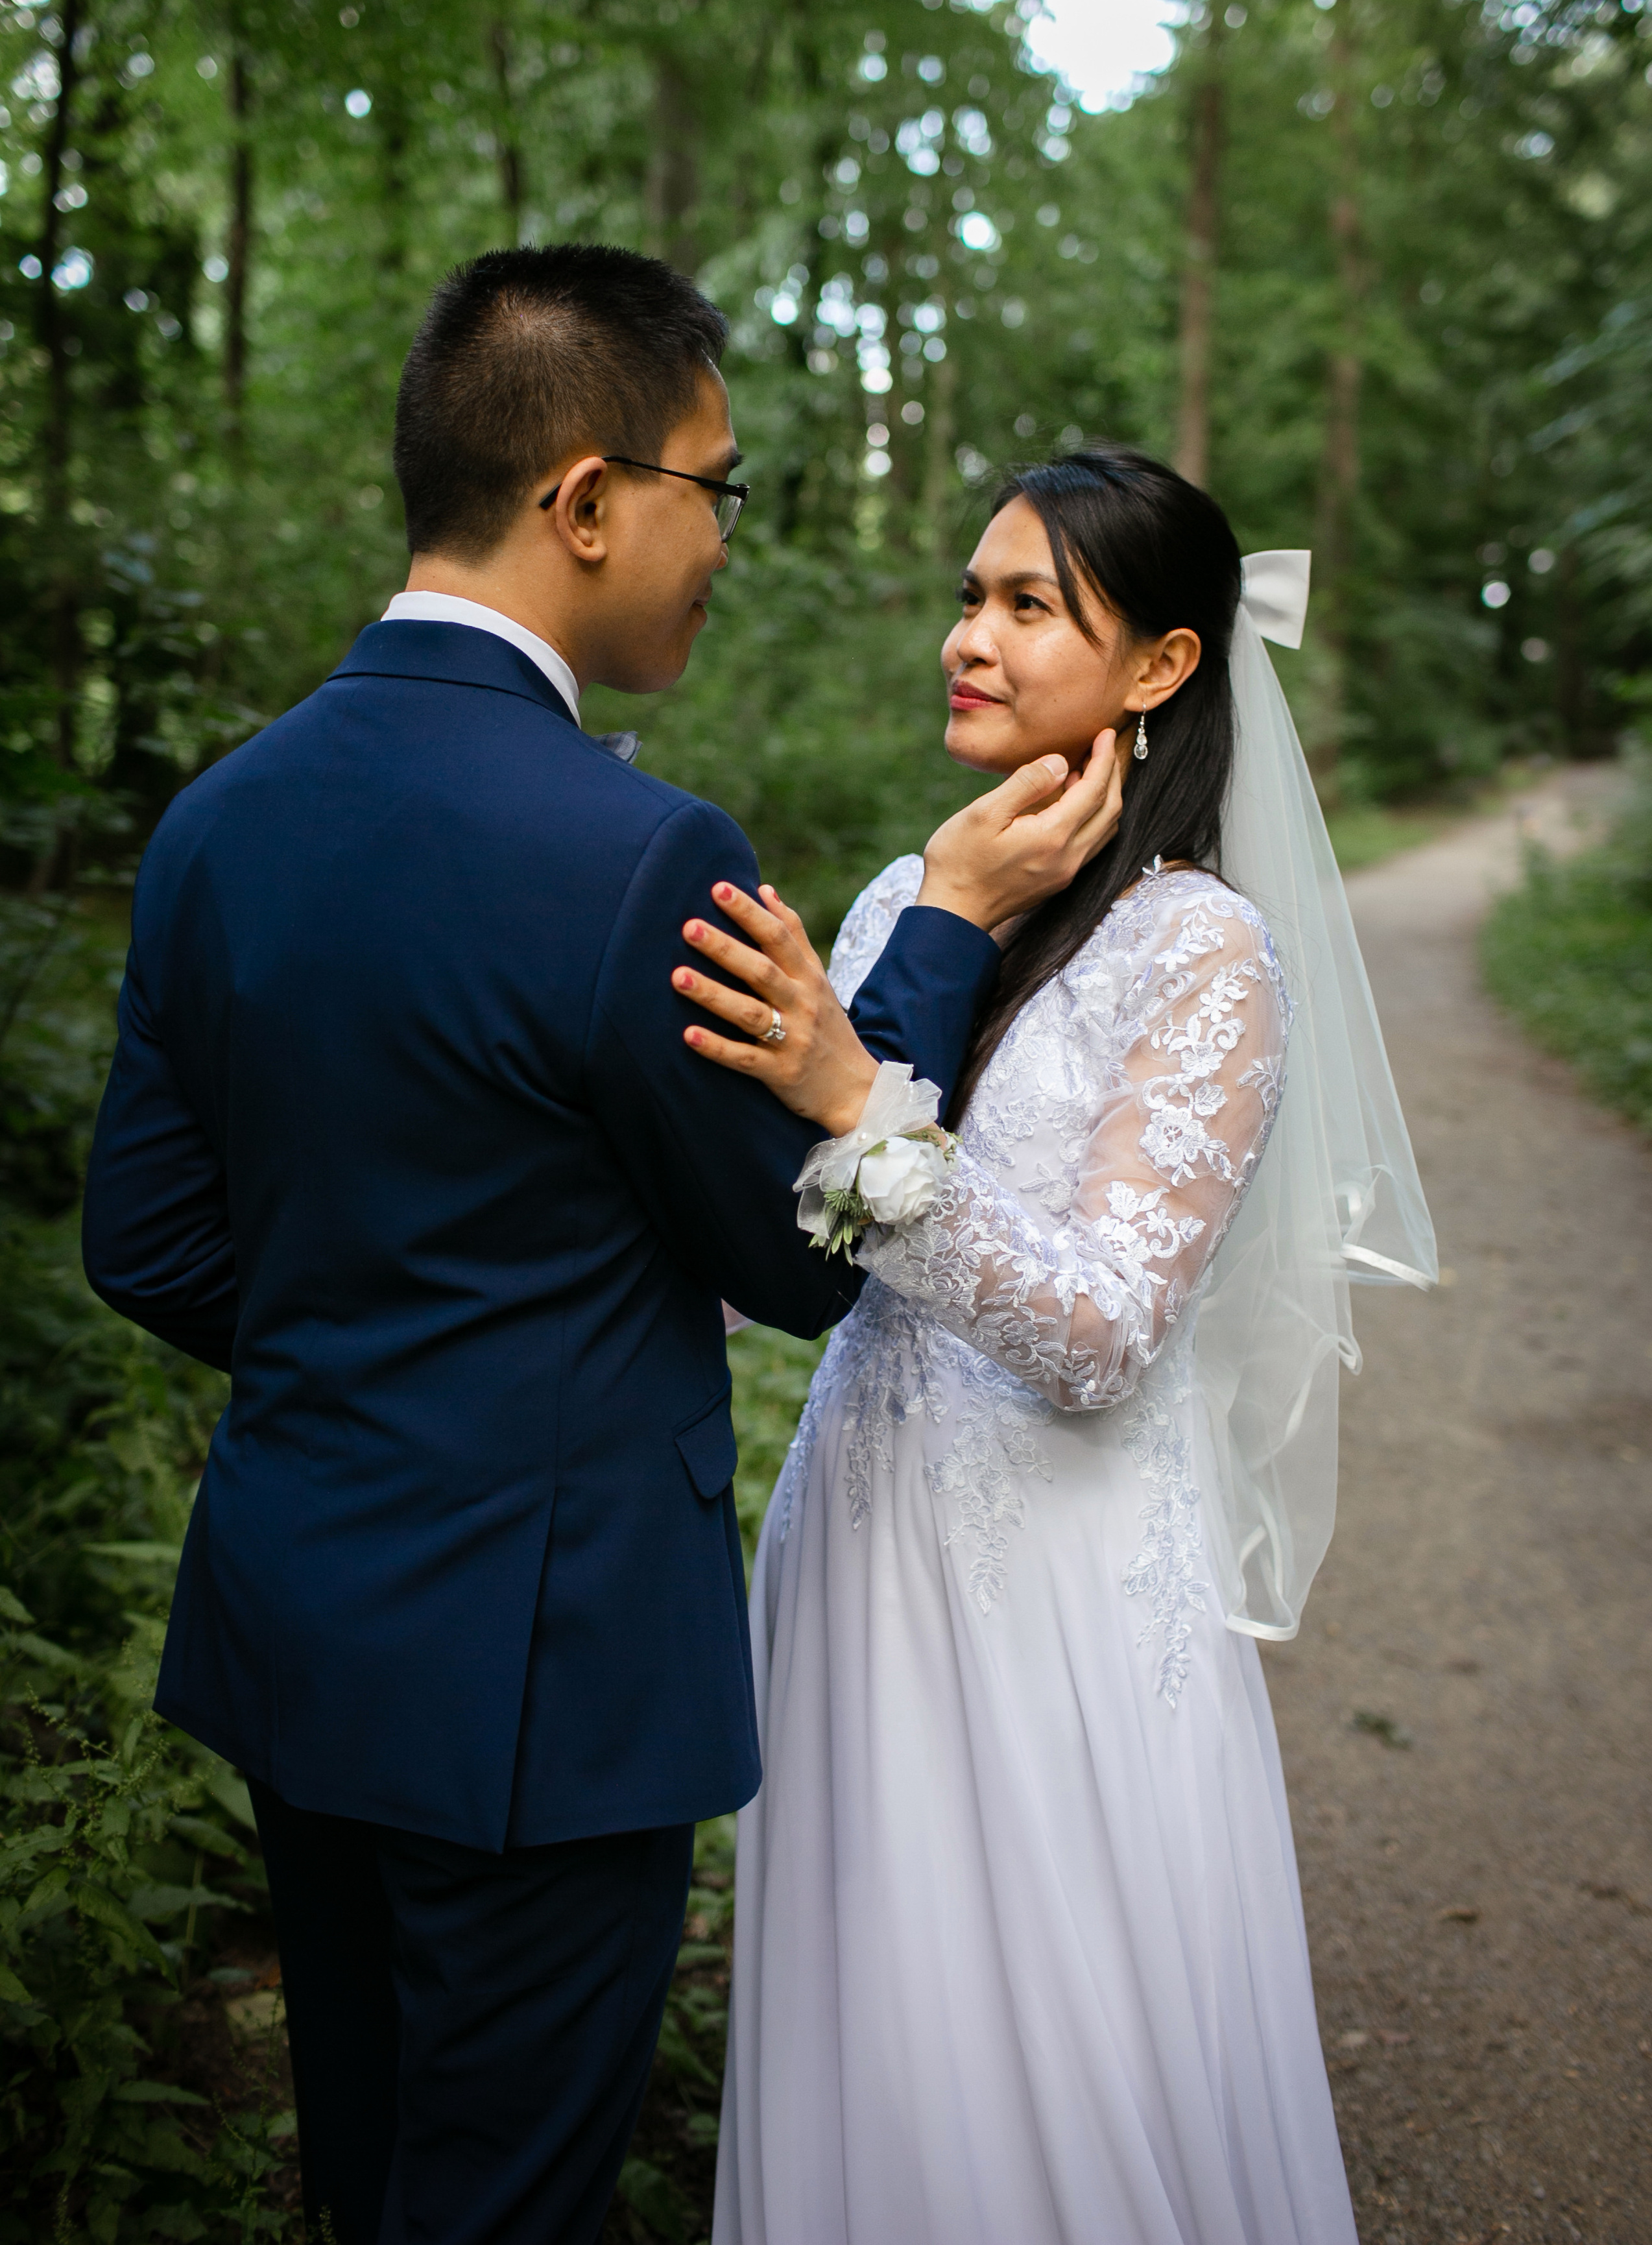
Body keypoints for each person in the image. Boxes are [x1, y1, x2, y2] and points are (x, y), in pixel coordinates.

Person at [79, 247, 1125, 2245]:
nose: (723, 541)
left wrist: (377, 1364)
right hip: (542, 1683)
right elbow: (812, 1249)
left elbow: (147, 1239)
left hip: (302, 1634)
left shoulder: (219, 820)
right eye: (711, 489)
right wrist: (947, 931)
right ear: (585, 501)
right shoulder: (636, 851)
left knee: (368, 2167)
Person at [676, 447, 1437, 2245]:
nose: (970, 638)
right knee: (877, 2018)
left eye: (1029, 605)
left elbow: (1100, 1331)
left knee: (1054, 2041)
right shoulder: (898, 901)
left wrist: (855, 1101)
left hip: (1067, 1586)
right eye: (969, 596)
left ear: (1164, 665)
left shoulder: (1209, 956)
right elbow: (786, 1245)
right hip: (857, 1555)